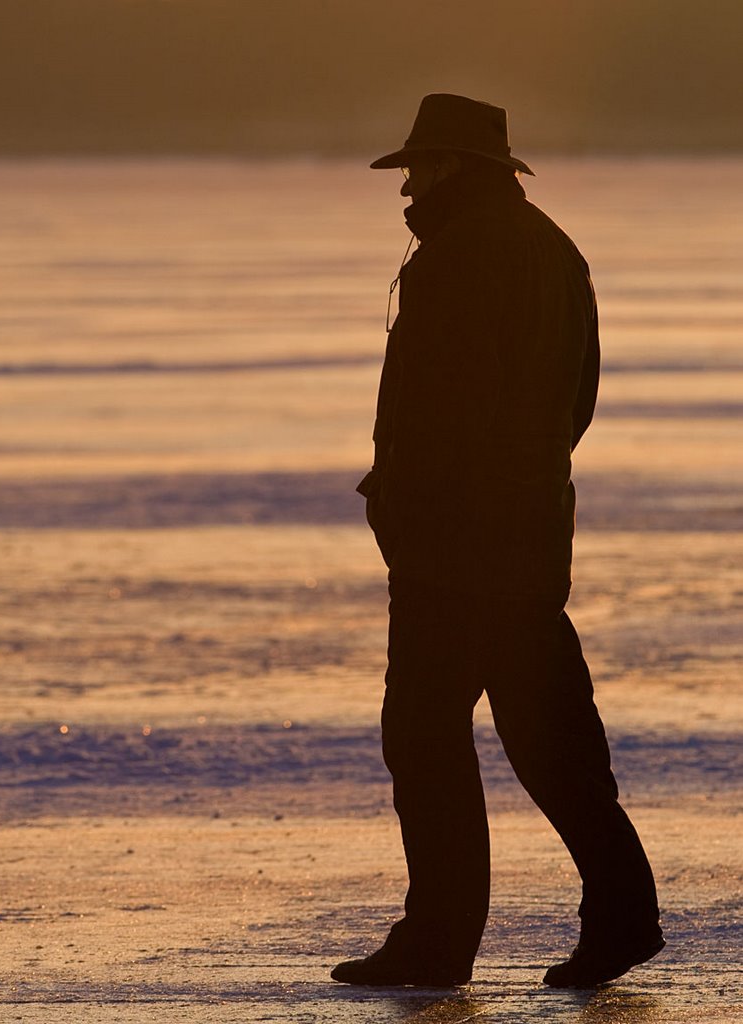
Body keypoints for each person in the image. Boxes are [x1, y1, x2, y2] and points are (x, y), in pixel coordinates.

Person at [331, 94, 664, 989]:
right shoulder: (555, 252)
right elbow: (576, 401)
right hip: (524, 532)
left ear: (451, 168)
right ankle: (619, 914)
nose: (405, 188)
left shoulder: (455, 258)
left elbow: (429, 409)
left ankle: (439, 939)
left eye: (416, 169)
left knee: (427, 734)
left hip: (453, 544)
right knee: (547, 737)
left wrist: (401, 502)